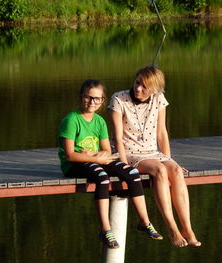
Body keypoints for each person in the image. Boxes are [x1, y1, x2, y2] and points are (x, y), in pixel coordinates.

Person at [58, 79, 163, 249]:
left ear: (102, 101)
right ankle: (106, 230)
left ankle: (144, 221)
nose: (92, 102)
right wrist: (96, 158)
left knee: (132, 173)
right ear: (81, 97)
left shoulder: (99, 121)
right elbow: (70, 155)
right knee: (102, 176)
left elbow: (107, 151)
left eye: (97, 99)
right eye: (88, 97)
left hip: (94, 159)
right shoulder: (71, 120)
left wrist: (94, 155)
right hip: (74, 165)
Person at [108, 66, 201, 247]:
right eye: (137, 83)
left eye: (144, 86)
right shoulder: (118, 99)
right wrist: (124, 167)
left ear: (156, 89)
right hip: (128, 152)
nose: (138, 89)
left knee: (174, 170)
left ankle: (187, 228)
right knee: (159, 170)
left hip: (152, 152)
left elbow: (161, 134)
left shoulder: (159, 99)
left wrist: (169, 160)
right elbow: (117, 138)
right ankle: (171, 227)